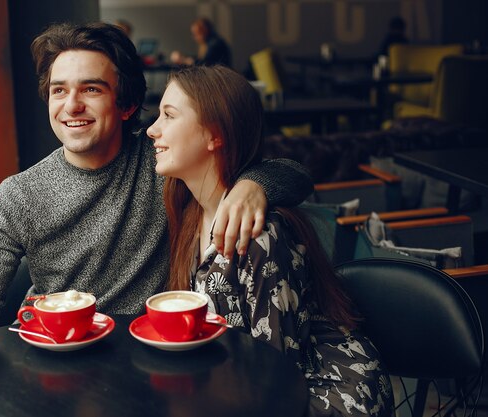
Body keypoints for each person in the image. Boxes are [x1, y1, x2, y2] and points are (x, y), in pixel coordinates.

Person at [0, 22, 313, 369]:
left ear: (127, 105)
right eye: (58, 90)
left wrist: (254, 184)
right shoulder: (17, 196)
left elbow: (295, 174)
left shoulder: (164, 164)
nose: (71, 106)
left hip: (154, 364)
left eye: (91, 89)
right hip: (61, 365)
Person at [146, 65, 394, 417]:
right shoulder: (186, 209)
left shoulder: (258, 236)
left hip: (326, 394)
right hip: (246, 385)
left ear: (215, 135)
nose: (153, 130)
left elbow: (277, 374)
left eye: (169, 116)